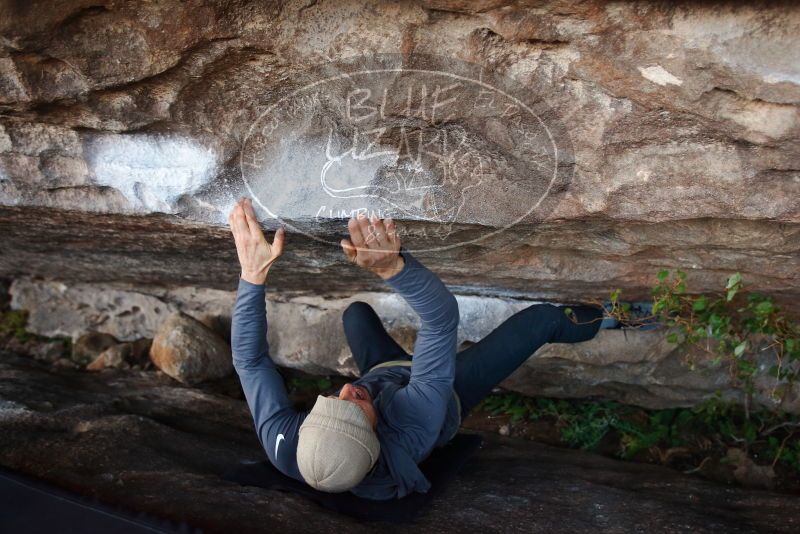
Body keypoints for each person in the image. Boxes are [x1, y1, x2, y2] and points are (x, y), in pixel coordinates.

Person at [228, 197, 604, 500]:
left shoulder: (287, 445)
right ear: (375, 438)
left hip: (385, 375)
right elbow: (440, 320)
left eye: (331, 402)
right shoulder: (412, 424)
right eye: (354, 410)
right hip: (446, 394)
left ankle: (377, 384)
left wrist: (251, 274)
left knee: (356, 314)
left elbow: (249, 361)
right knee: (541, 320)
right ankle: (614, 317)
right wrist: (395, 268)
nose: (345, 390)